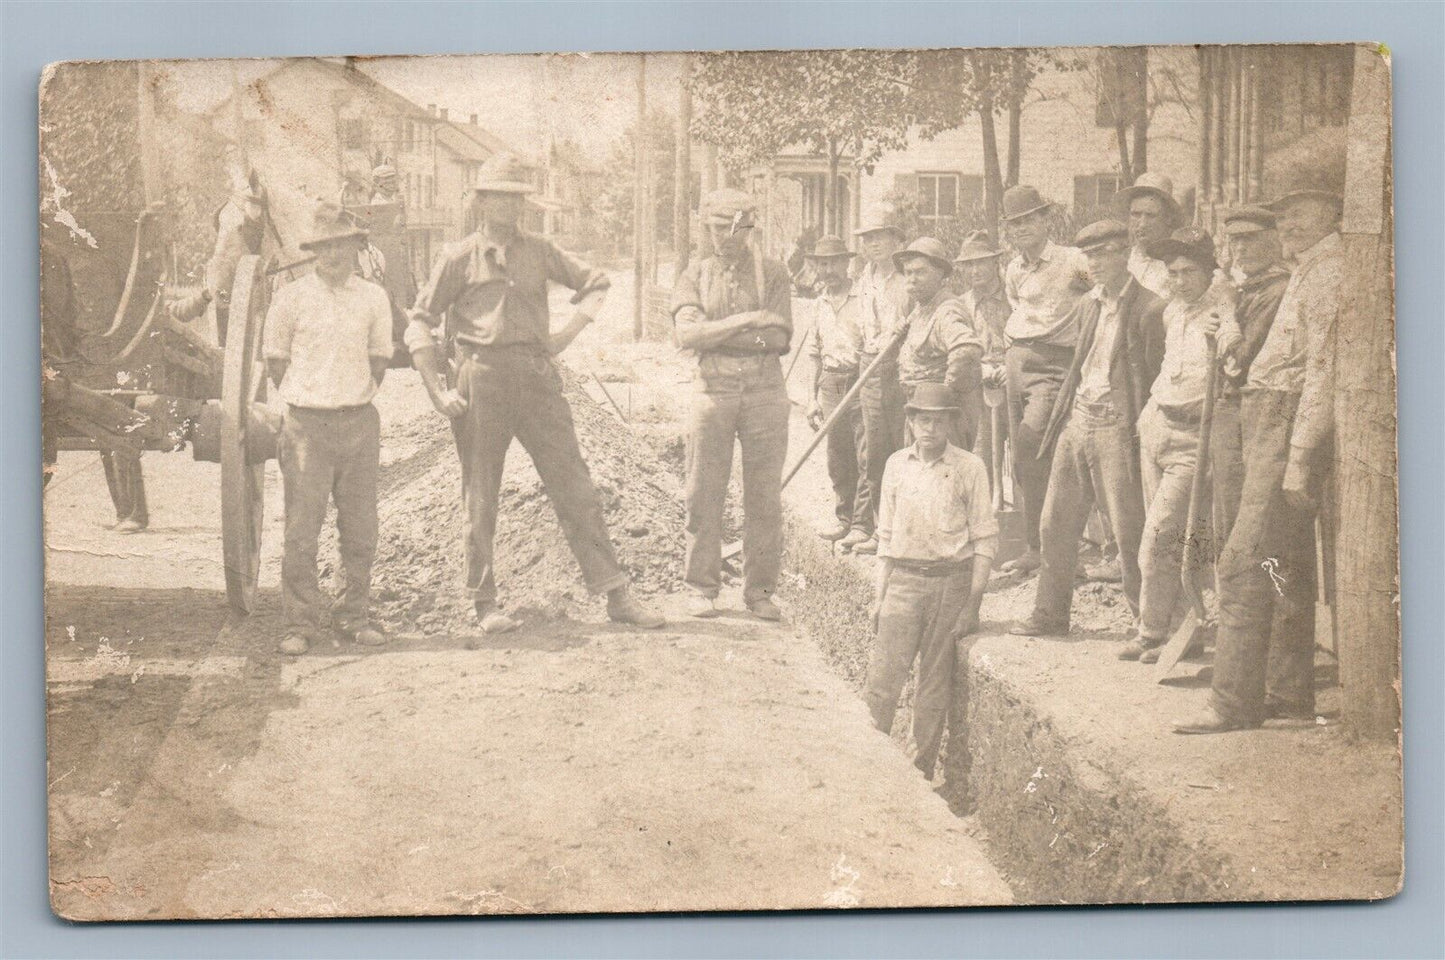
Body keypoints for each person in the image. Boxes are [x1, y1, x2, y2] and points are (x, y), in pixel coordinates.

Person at [405, 154, 664, 634]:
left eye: (516, 197)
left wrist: (566, 334)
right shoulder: (457, 258)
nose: (510, 206)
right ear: (481, 201)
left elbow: (596, 282)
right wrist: (436, 391)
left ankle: (615, 593)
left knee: (574, 483)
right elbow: (420, 322)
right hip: (481, 378)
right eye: (499, 197)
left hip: (537, 378)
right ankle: (483, 603)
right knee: (480, 492)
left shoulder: (541, 250)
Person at [1174, 176, 1344, 734]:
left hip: (1281, 419)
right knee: (1282, 561)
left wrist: (1299, 454)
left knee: (1244, 560)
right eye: (1285, 215)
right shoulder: (1309, 269)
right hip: (1264, 413)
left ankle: (1232, 704)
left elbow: (1323, 371)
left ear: (1332, 213)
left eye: (1301, 213)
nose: (1290, 224)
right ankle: (1288, 697)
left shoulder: (1329, 272)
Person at [1008, 220, 1166, 639]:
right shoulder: (1088, 306)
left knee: (1128, 529)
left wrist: (1137, 430)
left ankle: (1147, 623)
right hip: (1078, 419)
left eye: (1103, 254)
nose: (1094, 263)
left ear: (1125, 253)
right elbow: (1079, 364)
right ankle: (1050, 614)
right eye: (1089, 255)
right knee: (1055, 523)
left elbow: (1153, 376)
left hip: (1116, 426)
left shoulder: (1150, 308)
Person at [263, 202, 395, 655]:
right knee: (302, 530)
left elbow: (380, 361)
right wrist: (312, 397)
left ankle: (353, 616)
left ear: (356, 247)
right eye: (325, 247)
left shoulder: (373, 298)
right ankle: (299, 624)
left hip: (358, 424)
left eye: (341, 245)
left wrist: (349, 396)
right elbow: (276, 362)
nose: (334, 255)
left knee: (360, 528)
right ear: (314, 251)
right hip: (306, 427)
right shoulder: (291, 298)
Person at [671, 188, 793, 620]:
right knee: (703, 491)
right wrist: (748, 320)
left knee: (764, 496)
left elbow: (778, 337)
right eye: (716, 227)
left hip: (765, 390)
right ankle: (701, 587)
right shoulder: (695, 274)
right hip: (713, 389)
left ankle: (759, 591)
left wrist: (717, 331)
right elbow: (687, 335)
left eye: (732, 228)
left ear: (748, 228)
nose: (723, 236)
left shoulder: (773, 273)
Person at [865, 382, 997, 781]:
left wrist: (972, 604)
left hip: (949, 584)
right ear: (910, 421)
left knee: (933, 685)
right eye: (923, 420)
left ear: (950, 424)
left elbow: (984, 541)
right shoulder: (895, 465)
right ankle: (871, 767)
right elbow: (885, 538)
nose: (930, 429)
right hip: (903, 581)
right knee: (882, 681)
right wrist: (879, 597)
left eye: (939, 421)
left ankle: (918, 775)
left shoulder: (969, 468)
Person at [1126, 227, 1241, 662]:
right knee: (1168, 538)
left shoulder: (1223, 306)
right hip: (1158, 426)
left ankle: (1152, 631)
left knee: (1159, 538)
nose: (1179, 280)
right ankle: (1175, 631)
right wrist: (1149, 413)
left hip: (1194, 437)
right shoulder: (1173, 310)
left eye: (1189, 271)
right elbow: (1166, 364)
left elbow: (1233, 348)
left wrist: (1226, 330)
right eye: (1173, 272)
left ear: (1209, 271)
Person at [999, 185, 1092, 575]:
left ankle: (1058, 547)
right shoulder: (1014, 269)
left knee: (1033, 443)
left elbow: (1104, 291)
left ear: (1045, 220)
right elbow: (1017, 307)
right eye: (1014, 224)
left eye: (1029, 220)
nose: (1021, 229)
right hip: (1016, 363)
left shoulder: (1072, 260)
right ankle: (1034, 547)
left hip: (1054, 364)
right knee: (1021, 459)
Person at [1213, 205, 1292, 545]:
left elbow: (1240, 360)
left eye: (1250, 239)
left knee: (1244, 508)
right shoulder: (1246, 287)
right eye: (1234, 241)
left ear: (1273, 240)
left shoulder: (1277, 289)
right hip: (1231, 407)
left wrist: (1226, 311)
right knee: (1225, 500)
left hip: (1252, 411)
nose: (1240, 249)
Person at [842, 209, 911, 556]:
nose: (874, 244)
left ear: (896, 240)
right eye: (868, 239)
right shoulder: (864, 278)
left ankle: (905, 530)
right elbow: (858, 326)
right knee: (874, 451)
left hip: (899, 366)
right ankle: (879, 529)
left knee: (902, 446)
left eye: (880, 237)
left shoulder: (906, 278)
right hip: (869, 365)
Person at [802, 235, 867, 543]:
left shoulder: (863, 297)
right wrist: (811, 399)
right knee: (837, 457)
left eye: (833, 263)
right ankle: (845, 520)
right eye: (822, 264)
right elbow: (814, 352)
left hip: (860, 380)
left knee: (865, 454)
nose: (828, 271)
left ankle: (864, 525)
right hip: (830, 383)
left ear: (846, 264)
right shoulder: (819, 304)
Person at [893, 237, 984, 450]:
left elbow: (967, 352)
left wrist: (943, 398)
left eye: (920, 272)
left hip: (941, 421)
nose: (912, 279)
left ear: (940, 273)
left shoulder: (947, 310)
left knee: (944, 469)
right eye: (908, 273)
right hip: (922, 411)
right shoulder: (922, 308)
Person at [953, 231, 1011, 482]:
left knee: (1024, 462)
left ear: (995, 262)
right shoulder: (960, 305)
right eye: (968, 265)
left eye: (981, 262)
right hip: (979, 392)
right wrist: (979, 368)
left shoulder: (1014, 298)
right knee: (980, 461)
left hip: (1015, 385)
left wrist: (1011, 367)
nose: (974, 270)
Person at [1115, 171, 1183, 300]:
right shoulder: (1121, 260)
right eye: (1136, 214)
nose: (1142, 224)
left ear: (1168, 218)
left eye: (1151, 215)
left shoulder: (1178, 264)